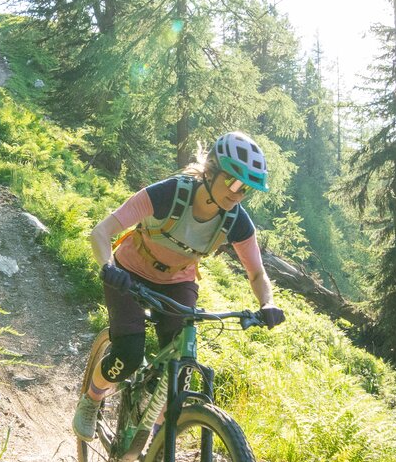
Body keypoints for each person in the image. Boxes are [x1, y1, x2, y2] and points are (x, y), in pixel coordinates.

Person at [74, 131, 286, 440]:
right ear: (211, 171)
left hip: (177, 281)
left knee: (184, 368)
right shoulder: (168, 194)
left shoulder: (237, 222)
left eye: (245, 190)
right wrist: (108, 268)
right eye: (232, 182)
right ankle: (92, 400)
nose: (237, 194)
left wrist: (267, 303)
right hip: (129, 273)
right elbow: (101, 232)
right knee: (129, 354)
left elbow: (257, 274)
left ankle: (158, 441)